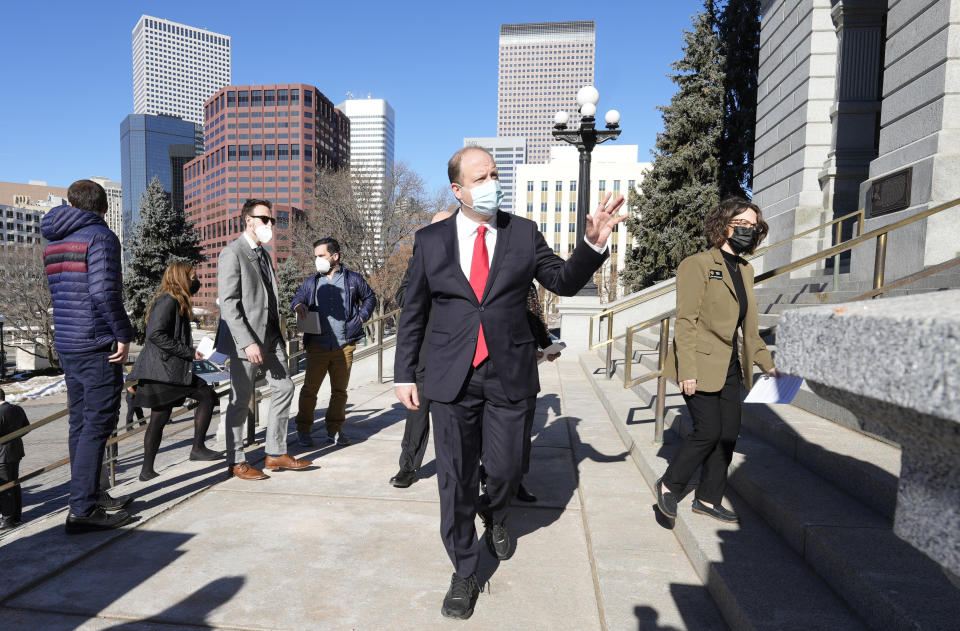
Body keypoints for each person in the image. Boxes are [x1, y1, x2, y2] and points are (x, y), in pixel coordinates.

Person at [394, 146, 626, 619]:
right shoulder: (430, 240)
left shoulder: (522, 233)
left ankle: (496, 511)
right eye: (481, 177)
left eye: (496, 174)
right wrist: (403, 374)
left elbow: (561, 280)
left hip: (509, 372)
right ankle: (463, 569)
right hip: (451, 377)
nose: (491, 183)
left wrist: (593, 244)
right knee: (455, 479)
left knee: (504, 471)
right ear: (457, 189)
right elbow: (414, 312)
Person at [659, 197, 779, 524]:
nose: (748, 231)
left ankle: (708, 499)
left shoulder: (746, 269)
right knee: (708, 431)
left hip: (729, 365)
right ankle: (669, 485)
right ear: (722, 224)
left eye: (753, 227)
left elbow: (751, 328)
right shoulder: (697, 264)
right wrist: (687, 371)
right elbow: (685, 321)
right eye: (741, 224)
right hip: (698, 360)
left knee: (728, 434)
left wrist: (768, 365)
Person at [42, 179, 134, 533]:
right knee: (97, 424)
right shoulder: (100, 236)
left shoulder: (54, 240)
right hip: (97, 344)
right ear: (104, 206)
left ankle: (90, 493)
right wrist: (123, 334)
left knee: (80, 424)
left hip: (68, 343)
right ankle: (82, 510)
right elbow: (102, 292)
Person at [218, 199, 311, 480]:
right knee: (241, 399)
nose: (271, 225)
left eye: (272, 220)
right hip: (246, 340)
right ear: (249, 221)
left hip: (272, 336)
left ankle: (274, 453)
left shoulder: (264, 256)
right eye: (266, 219)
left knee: (284, 388)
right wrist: (247, 341)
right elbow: (229, 304)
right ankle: (236, 460)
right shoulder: (232, 253)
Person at [131, 262, 224, 481]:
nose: (196, 280)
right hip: (164, 370)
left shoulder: (174, 300)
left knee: (162, 415)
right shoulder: (167, 301)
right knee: (201, 398)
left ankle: (148, 469)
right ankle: (195, 449)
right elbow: (155, 334)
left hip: (169, 369)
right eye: (192, 277)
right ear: (181, 278)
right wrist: (189, 352)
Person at [389, 210, 453, 489]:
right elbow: (402, 295)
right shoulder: (419, 260)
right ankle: (408, 467)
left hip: (457, 350)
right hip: (426, 352)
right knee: (417, 411)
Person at [291, 237, 376, 447]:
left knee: (340, 391)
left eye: (321, 256)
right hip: (317, 346)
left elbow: (370, 297)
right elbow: (298, 297)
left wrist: (362, 317)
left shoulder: (353, 279)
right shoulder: (312, 281)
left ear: (335, 256)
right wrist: (299, 305)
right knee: (310, 390)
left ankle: (335, 430)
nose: (317, 260)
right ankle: (303, 430)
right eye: (315, 257)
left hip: (344, 344)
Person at [0, 388, 29, 531]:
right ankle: (16, 516)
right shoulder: (17, 409)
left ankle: (7, 519)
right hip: (16, 451)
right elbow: (27, 427)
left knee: (5, 487)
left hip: (1, 455)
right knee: (15, 483)